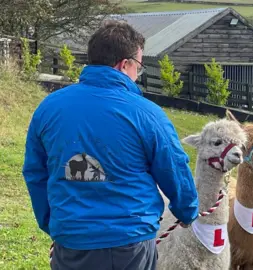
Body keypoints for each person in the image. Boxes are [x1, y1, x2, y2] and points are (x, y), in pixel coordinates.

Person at [22, 21, 199, 270]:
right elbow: (174, 168)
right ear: (124, 64)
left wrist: (53, 223)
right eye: (139, 66)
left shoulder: (49, 108)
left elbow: (35, 172)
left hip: (70, 241)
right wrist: (187, 210)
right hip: (128, 241)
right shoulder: (146, 114)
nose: (138, 74)